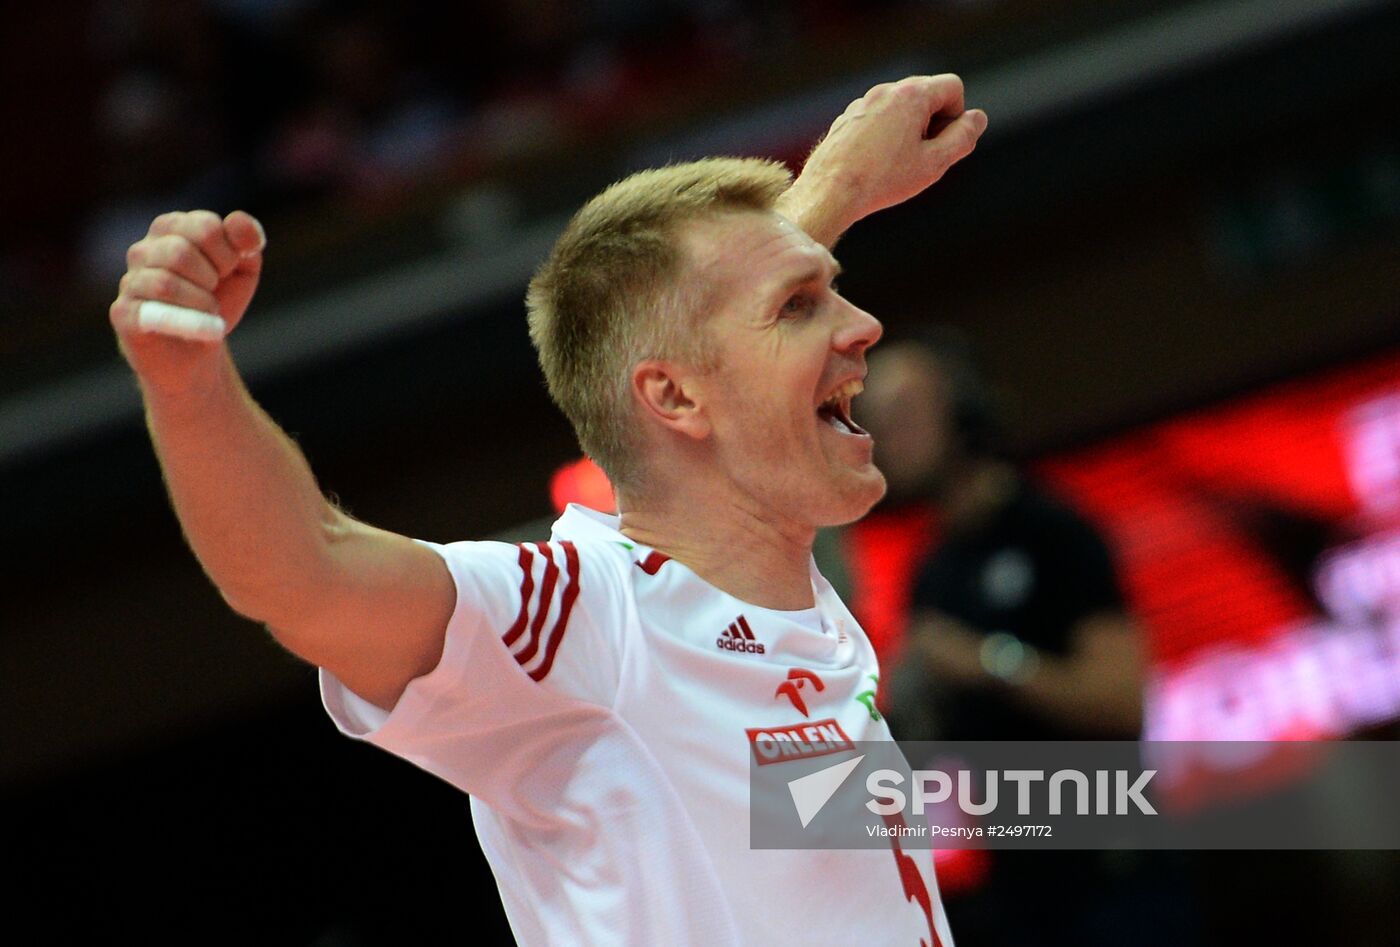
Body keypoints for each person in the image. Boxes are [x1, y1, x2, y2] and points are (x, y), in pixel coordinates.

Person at [108, 77, 988, 945]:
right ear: (674, 398)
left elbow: (695, 322)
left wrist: (828, 193)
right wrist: (185, 380)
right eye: (801, 305)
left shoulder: (782, 603)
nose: (865, 324)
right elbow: (303, 569)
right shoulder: (587, 618)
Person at [858, 332, 1195, 947]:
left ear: (962, 411)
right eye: (875, 422)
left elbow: (1123, 704)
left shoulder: (1053, 531)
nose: (887, 440)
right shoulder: (930, 575)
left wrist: (987, 661)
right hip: (1024, 894)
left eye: (904, 415)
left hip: (1116, 881)